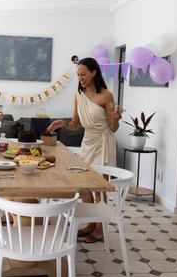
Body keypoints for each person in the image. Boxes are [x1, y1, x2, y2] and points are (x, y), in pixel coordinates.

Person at [47, 57, 122, 243]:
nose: (80, 78)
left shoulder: (107, 96)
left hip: (103, 143)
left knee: (99, 188)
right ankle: (90, 223)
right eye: (78, 74)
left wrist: (117, 118)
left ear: (93, 72)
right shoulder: (78, 94)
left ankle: (100, 229)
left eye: (83, 74)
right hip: (87, 142)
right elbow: (74, 125)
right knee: (84, 187)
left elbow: (113, 129)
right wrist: (62, 123)